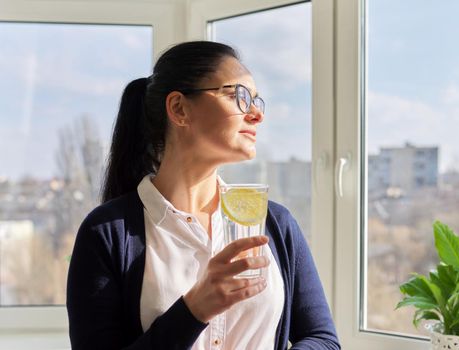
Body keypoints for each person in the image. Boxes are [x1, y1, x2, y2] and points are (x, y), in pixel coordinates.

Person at [66, 41, 340, 350]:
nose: (256, 114)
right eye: (239, 96)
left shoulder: (275, 223)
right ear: (179, 108)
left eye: (257, 100)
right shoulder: (106, 234)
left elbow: (323, 340)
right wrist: (194, 309)